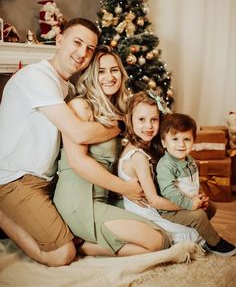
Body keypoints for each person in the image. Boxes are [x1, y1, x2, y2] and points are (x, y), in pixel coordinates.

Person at [0, 18, 143, 267]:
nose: (82, 53)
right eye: (77, 42)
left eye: (90, 48)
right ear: (59, 40)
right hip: (15, 180)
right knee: (62, 254)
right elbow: (79, 133)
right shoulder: (36, 77)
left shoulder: (66, 88)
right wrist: (120, 125)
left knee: (79, 231)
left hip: (48, 180)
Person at [53, 46, 172, 257]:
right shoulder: (81, 106)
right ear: (90, 75)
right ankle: (79, 246)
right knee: (158, 241)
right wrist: (126, 188)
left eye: (114, 70)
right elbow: (77, 163)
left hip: (107, 196)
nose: (109, 77)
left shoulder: (120, 109)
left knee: (165, 231)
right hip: (80, 201)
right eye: (101, 71)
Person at [118, 91, 204, 245]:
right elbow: (154, 201)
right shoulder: (138, 156)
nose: (148, 126)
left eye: (154, 120)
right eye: (141, 120)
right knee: (193, 235)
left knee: (205, 214)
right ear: (129, 120)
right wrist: (189, 203)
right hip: (147, 212)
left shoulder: (149, 146)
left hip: (156, 205)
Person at [156, 112, 236, 257]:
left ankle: (199, 232)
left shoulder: (190, 161)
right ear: (164, 142)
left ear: (193, 141)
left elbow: (194, 183)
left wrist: (201, 196)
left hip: (189, 202)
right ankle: (215, 243)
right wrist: (190, 205)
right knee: (199, 216)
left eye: (186, 139)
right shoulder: (165, 166)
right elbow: (169, 191)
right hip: (171, 211)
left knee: (211, 207)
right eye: (175, 139)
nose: (181, 144)